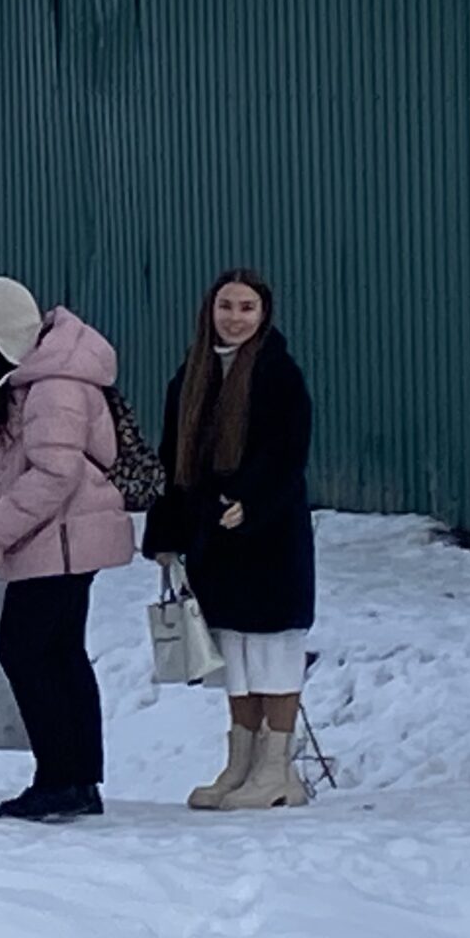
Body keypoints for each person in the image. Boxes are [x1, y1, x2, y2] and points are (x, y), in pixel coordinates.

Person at [0, 276, 135, 823]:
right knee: (60, 654)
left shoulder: (52, 386)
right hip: (64, 540)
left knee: (25, 651)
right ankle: (78, 777)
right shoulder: (41, 376)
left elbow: (54, 472)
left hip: (56, 540)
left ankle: (58, 777)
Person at [142, 269, 316, 811]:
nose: (235, 318)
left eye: (246, 307)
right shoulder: (190, 376)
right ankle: (240, 765)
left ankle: (276, 771)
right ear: (209, 311)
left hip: (268, 539)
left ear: (264, 314)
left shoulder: (278, 374)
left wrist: (252, 501)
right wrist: (165, 533)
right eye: (226, 306)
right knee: (234, 655)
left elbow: (288, 455)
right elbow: (172, 459)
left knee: (272, 650)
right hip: (211, 540)